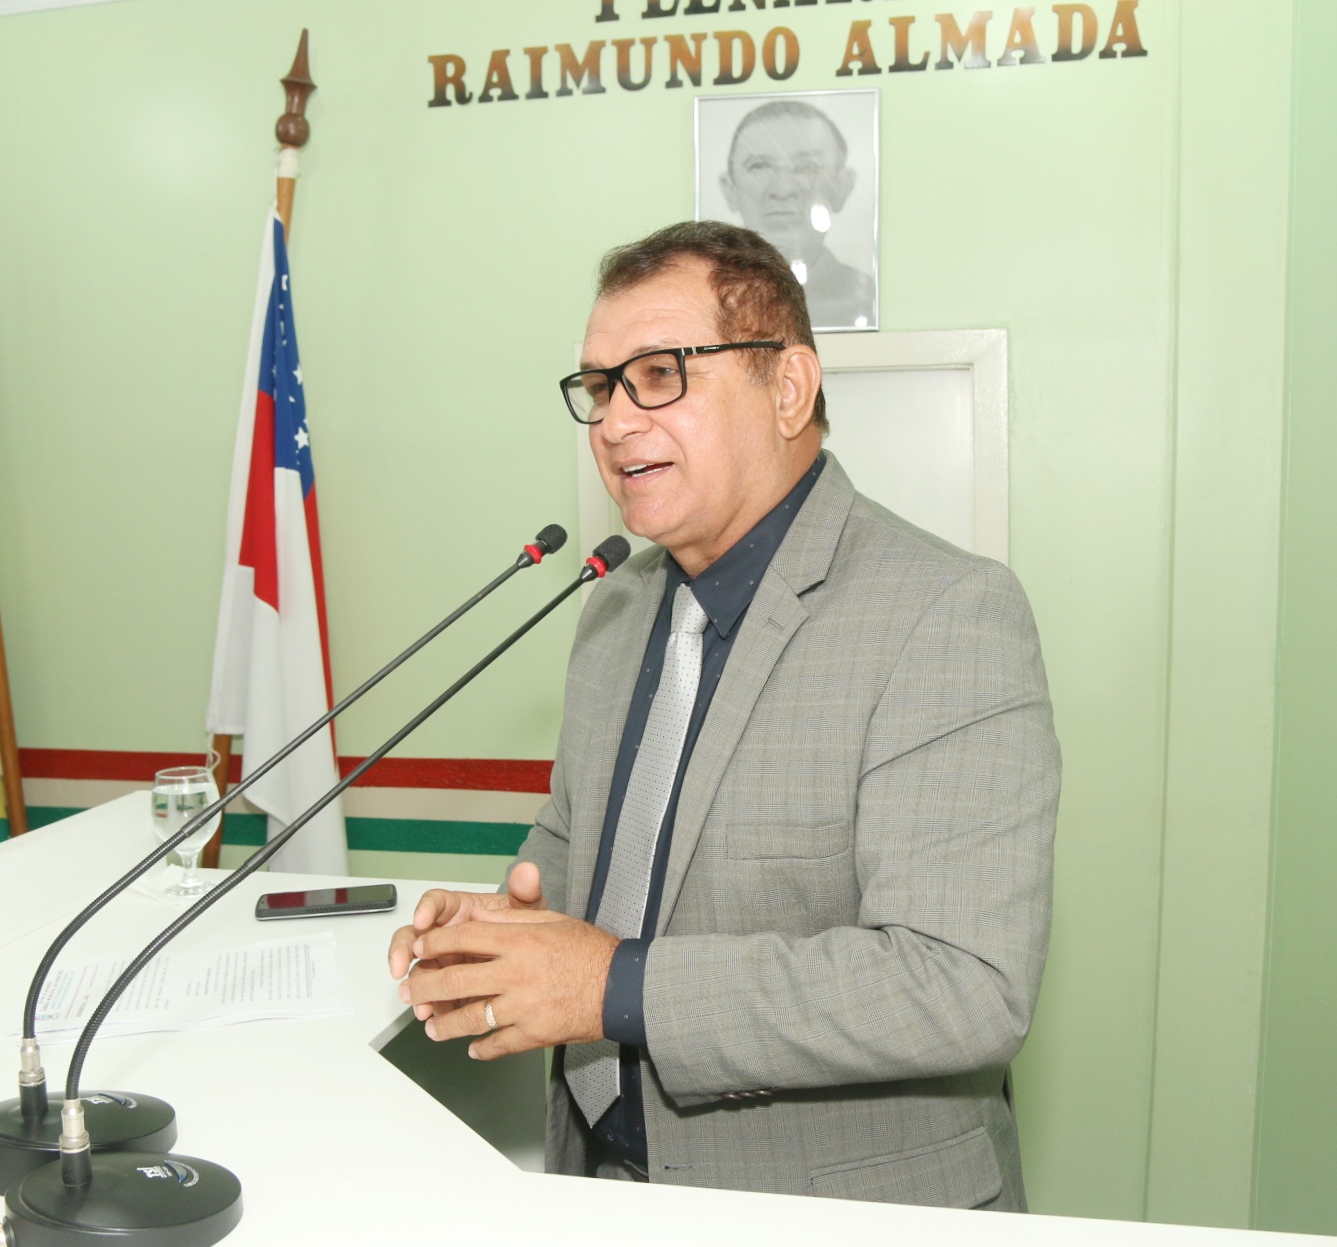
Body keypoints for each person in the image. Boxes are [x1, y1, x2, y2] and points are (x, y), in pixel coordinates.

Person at [387, 221, 1058, 1210]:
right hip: (591, 1178)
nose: (614, 422)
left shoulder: (944, 613)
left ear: (785, 389)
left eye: (658, 373)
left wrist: (608, 984)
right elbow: (576, 849)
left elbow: (960, 984)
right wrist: (504, 927)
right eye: (598, 386)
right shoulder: (613, 608)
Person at [717, 100, 875, 329]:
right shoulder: (697, 303)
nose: (783, 190)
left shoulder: (867, 297)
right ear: (730, 189)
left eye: (807, 168)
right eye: (759, 166)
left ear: (843, 186)